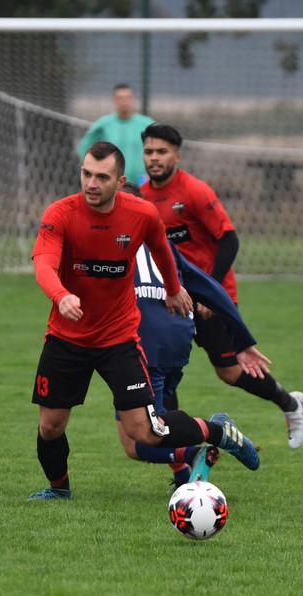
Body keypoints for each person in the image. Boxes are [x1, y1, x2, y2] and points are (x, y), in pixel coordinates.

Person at [28, 141, 261, 501]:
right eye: (86, 174)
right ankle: (59, 490)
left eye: (101, 177)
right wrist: (61, 295)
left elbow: (161, 249)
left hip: (118, 340)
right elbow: (43, 261)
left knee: (145, 433)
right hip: (67, 338)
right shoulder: (60, 213)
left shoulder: (141, 214)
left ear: (119, 181)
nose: (91, 183)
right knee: (50, 426)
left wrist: (172, 288)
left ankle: (217, 432)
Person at [140, 122, 303, 449]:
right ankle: (179, 460)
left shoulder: (194, 191)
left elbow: (229, 240)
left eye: (161, 151)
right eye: (149, 152)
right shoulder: (143, 197)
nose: (154, 158)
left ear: (177, 155)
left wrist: (209, 293)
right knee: (164, 371)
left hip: (209, 299)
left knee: (230, 372)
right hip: (172, 299)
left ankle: (290, 404)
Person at [116, 181, 273, 488]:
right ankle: (185, 478)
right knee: (141, 435)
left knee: (143, 440)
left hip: (146, 343)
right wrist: (242, 340)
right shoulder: (163, 244)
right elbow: (212, 288)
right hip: (176, 336)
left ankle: (214, 434)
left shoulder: (115, 242)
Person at [78, 84, 155, 187]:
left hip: (142, 183)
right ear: (114, 101)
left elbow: (159, 150)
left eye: (128, 97)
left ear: (133, 99)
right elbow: (85, 147)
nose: (124, 101)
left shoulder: (147, 124)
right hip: (113, 184)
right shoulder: (103, 125)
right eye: (120, 98)